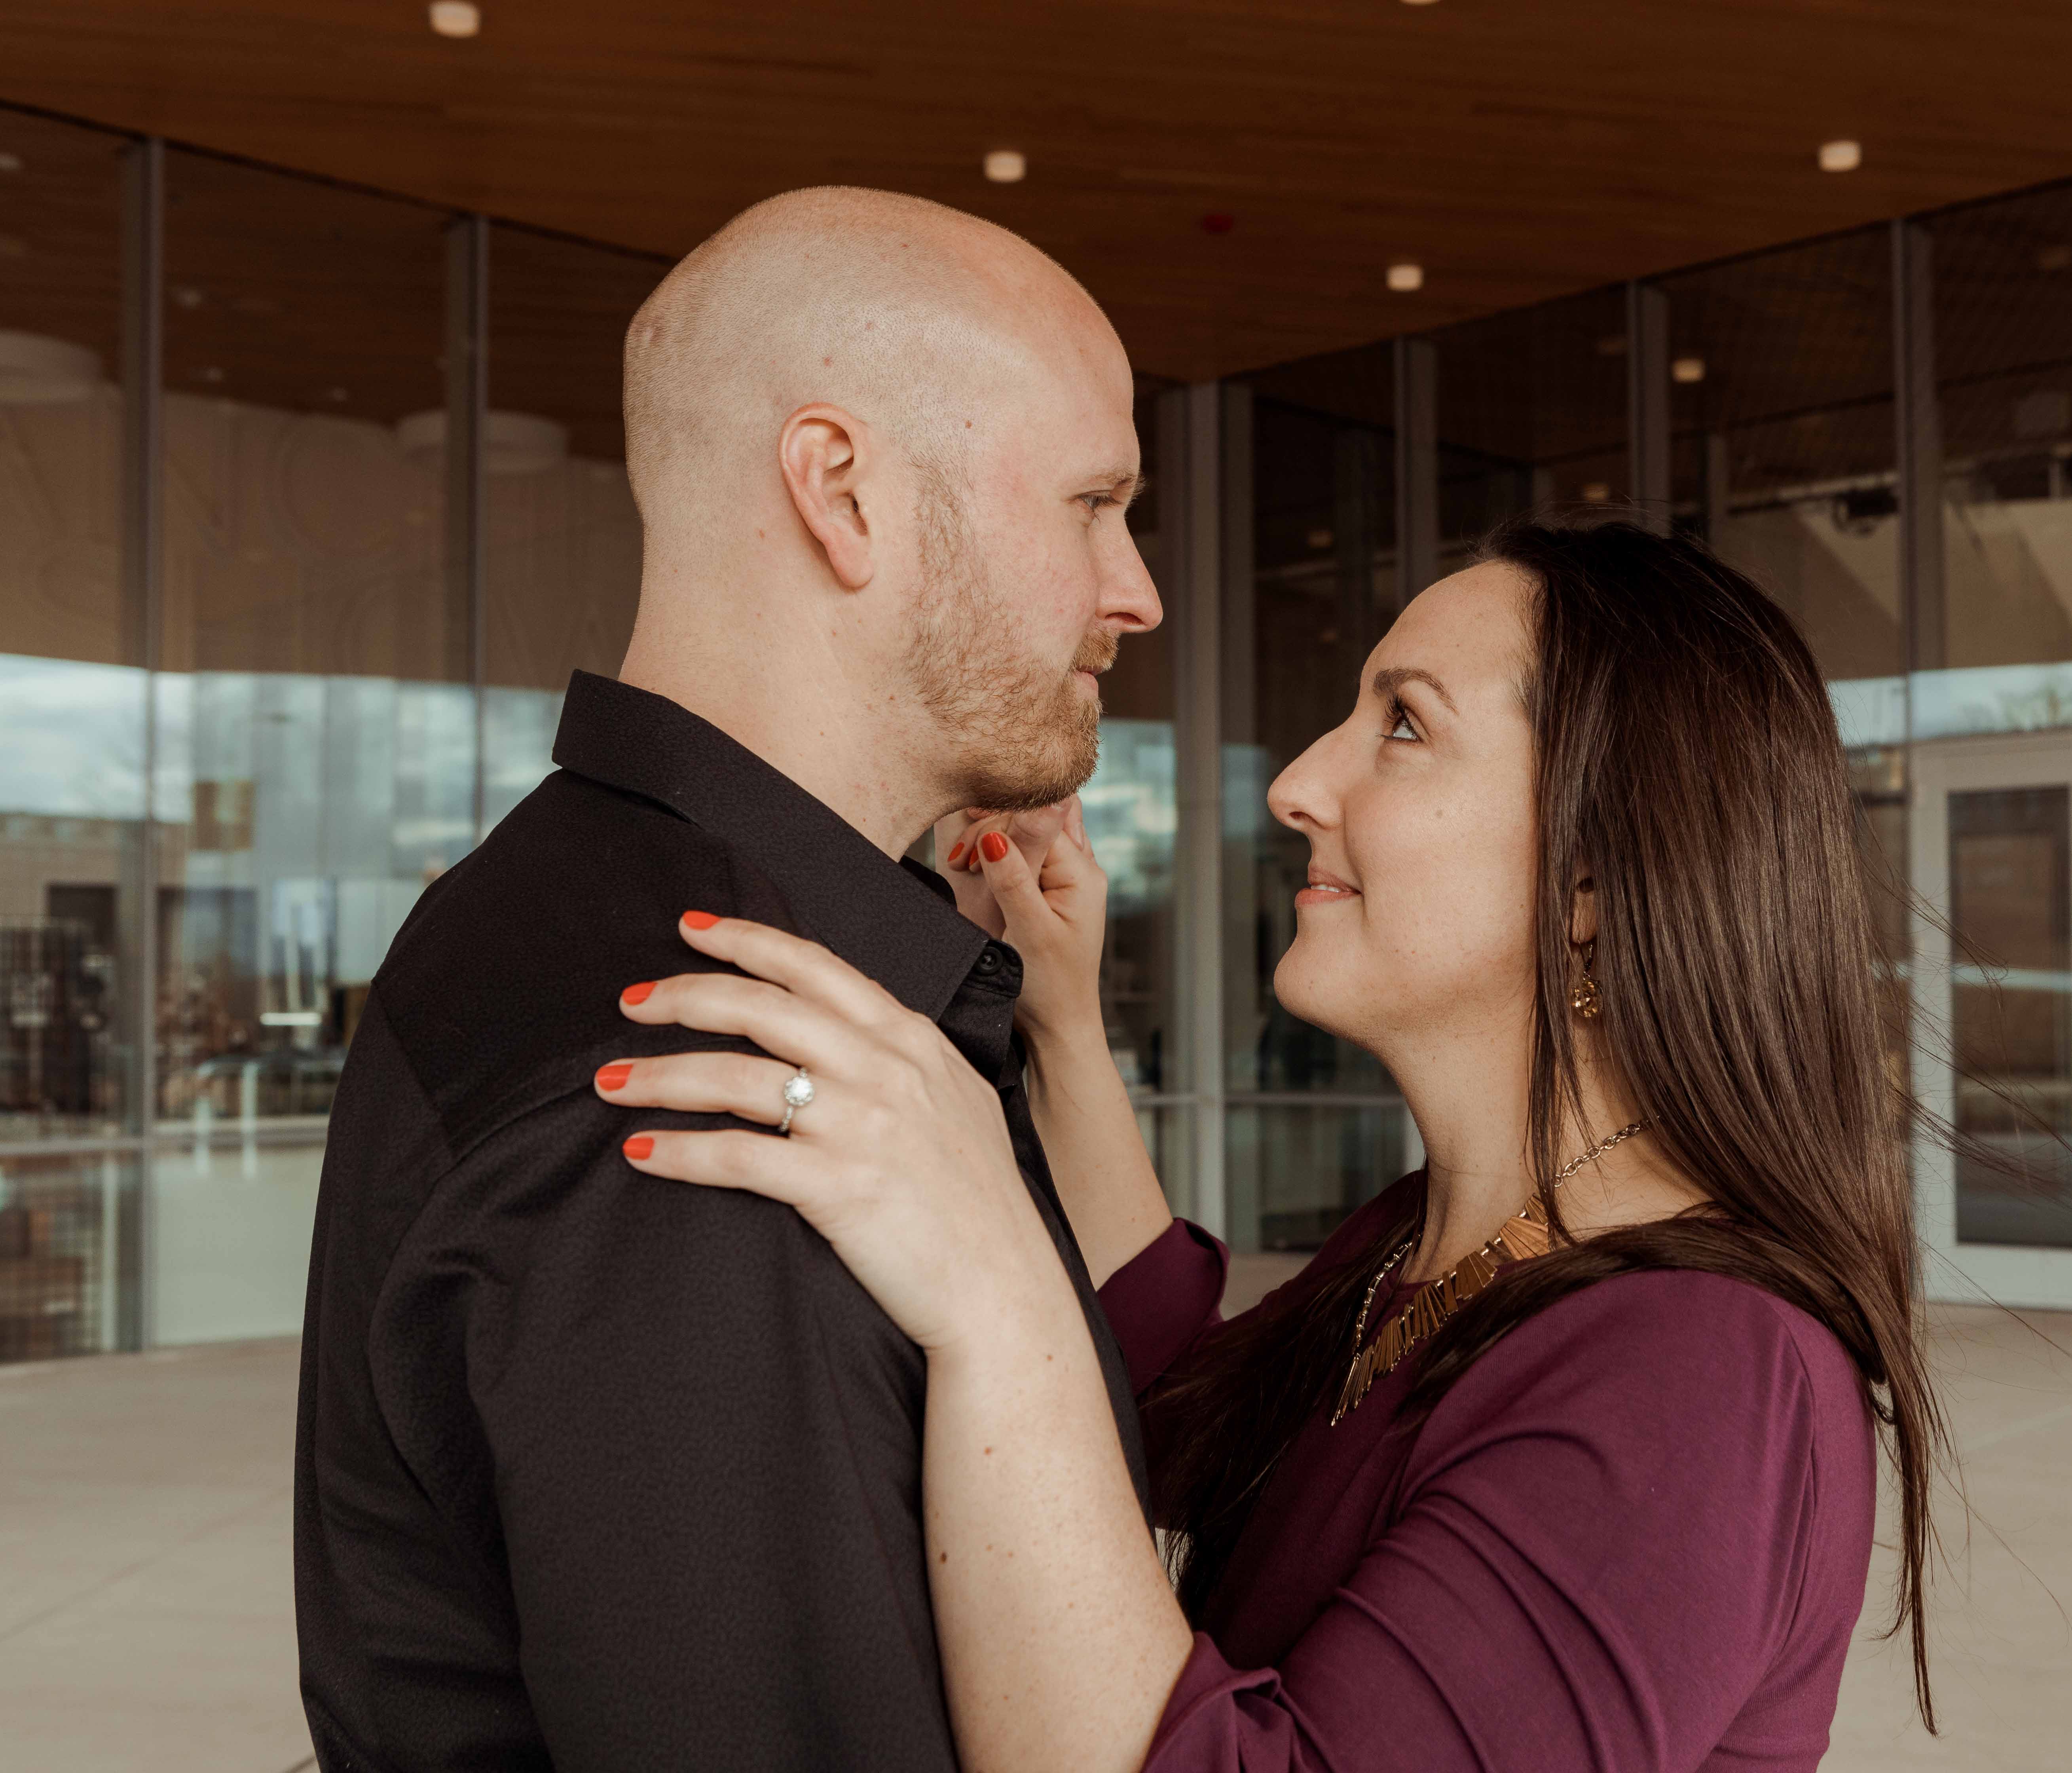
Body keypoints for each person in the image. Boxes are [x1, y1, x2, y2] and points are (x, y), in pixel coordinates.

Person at [608, 520, 1948, 1771]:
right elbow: (1170, 1409)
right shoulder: (1437, 1245)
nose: (1302, 784)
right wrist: (1062, 1023)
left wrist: (990, 1285)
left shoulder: (1699, 1373)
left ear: (1594, 878)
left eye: (1405, 726)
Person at [291, 186, 1161, 1771]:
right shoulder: (717, 1067)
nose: (1138, 591)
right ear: (843, 490)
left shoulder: (600, 920)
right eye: (1094, 504)